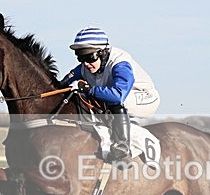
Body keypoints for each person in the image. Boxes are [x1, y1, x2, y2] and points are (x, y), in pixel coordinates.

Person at [58, 27, 160, 163]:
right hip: (115, 94)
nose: (86, 63)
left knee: (114, 101)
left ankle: (122, 148)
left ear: (103, 52)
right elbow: (60, 86)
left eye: (89, 57)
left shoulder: (120, 63)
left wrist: (89, 89)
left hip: (144, 97)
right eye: (80, 58)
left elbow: (118, 95)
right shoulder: (84, 67)